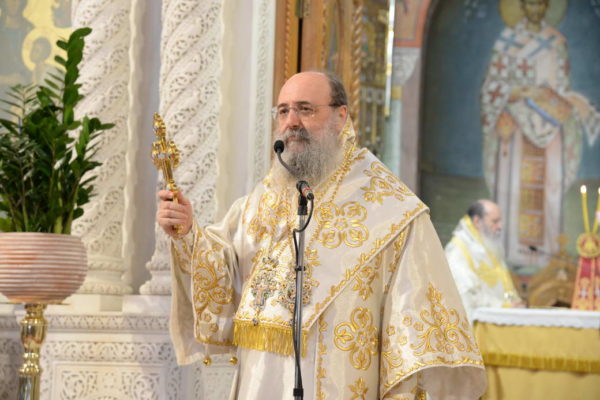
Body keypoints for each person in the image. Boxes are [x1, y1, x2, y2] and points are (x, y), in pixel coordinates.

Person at [157, 71, 486, 399]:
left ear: (340, 117)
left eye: (305, 109)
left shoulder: (389, 208)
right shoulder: (263, 199)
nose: (291, 122)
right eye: (283, 111)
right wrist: (188, 234)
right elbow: (226, 272)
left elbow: (417, 329)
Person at [480, 0, 599, 269]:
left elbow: (562, 86)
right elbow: (492, 87)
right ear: (522, 7)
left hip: (549, 125)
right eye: (531, 4)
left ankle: (547, 256)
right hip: (515, 126)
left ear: (547, 7)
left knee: (549, 185)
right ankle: (511, 254)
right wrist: (520, 92)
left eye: (540, 4)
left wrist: (565, 103)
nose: (536, 9)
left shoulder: (555, 42)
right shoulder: (508, 40)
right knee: (513, 186)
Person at [445, 199, 524, 322]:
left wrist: (513, 302)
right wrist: (503, 306)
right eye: (495, 221)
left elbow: (504, 284)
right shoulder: (458, 250)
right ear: (477, 221)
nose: (500, 227)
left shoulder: (490, 246)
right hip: (475, 323)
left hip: (498, 319)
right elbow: (468, 294)